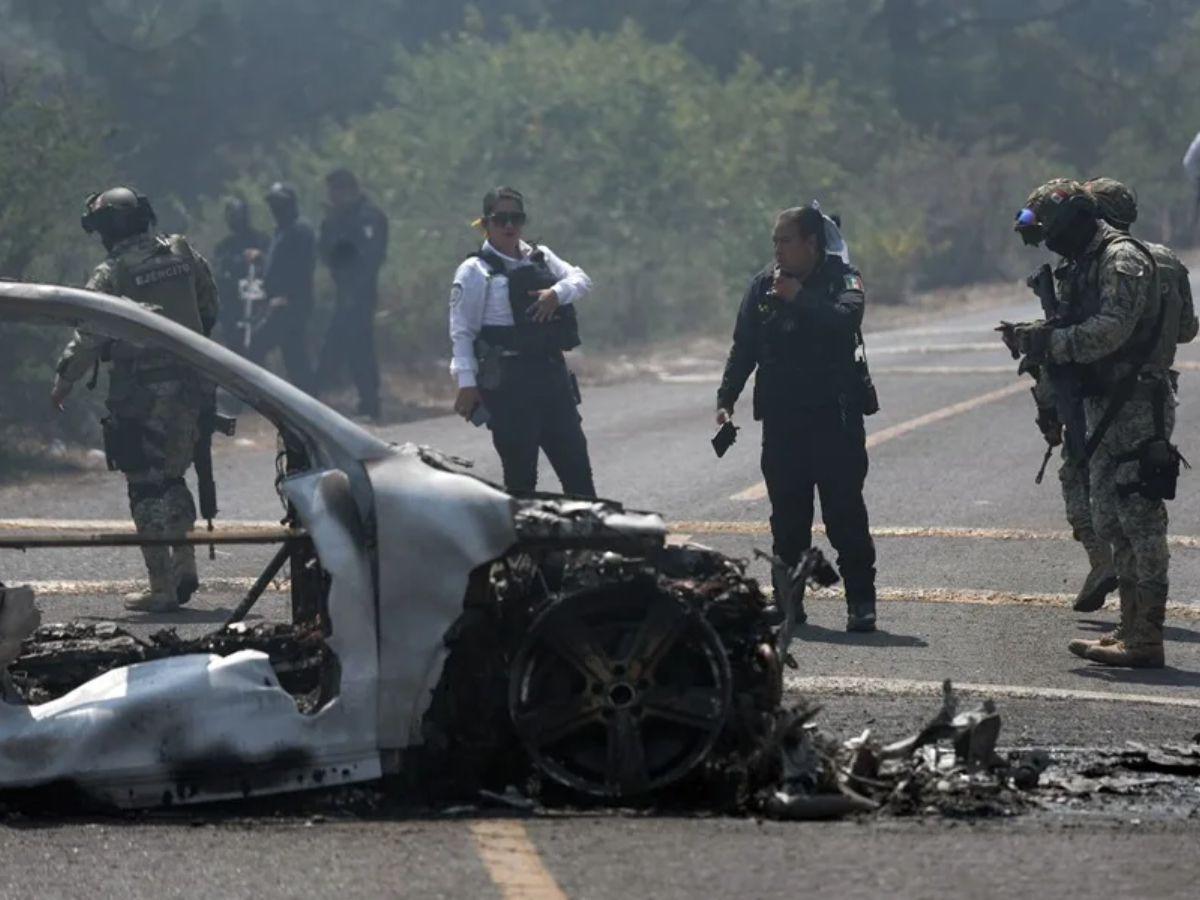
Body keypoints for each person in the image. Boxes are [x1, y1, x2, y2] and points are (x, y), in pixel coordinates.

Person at [1011, 179, 1188, 668]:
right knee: (1113, 521)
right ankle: (1130, 629)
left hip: (1134, 404)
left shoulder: (1121, 260)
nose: (1048, 243)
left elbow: (1111, 330)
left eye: (1052, 232)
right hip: (1102, 403)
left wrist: (1053, 343)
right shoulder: (1087, 262)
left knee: (1141, 523)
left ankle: (1146, 636)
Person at [51, 187, 218, 612]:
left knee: (144, 484)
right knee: (174, 475)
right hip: (192, 383)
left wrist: (64, 378)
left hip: (140, 392)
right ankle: (185, 566)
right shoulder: (183, 254)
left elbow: (90, 333)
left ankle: (161, 587)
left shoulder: (111, 274)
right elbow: (209, 305)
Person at [716, 206, 877, 632]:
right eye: (775, 241)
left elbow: (846, 321)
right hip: (783, 423)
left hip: (834, 421)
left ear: (811, 243)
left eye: (786, 240)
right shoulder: (761, 287)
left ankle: (861, 603)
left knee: (844, 514)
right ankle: (788, 604)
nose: (778, 249)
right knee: (787, 520)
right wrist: (726, 398)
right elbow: (743, 347)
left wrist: (799, 299)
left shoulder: (842, 279)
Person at [448, 186, 596, 497]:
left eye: (516, 218)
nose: (509, 226)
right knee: (521, 482)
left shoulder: (540, 256)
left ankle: (589, 544)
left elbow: (581, 279)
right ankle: (527, 546)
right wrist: (466, 383)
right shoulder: (475, 271)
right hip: (509, 386)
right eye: (500, 219)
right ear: (485, 223)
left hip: (552, 378)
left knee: (578, 475)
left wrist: (556, 294)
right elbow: (462, 331)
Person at [315, 168, 388, 419]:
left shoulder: (369, 216)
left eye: (335, 191)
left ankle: (370, 402)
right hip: (343, 291)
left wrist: (355, 289)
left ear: (347, 190)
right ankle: (320, 400)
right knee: (335, 347)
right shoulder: (336, 218)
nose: (332, 197)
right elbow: (326, 251)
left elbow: (372, 257)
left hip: (361, 294)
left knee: (360, 347)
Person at [246, 182, 315, 391]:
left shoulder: (300, 229)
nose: (275, 208)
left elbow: (301, 267)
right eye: (273, 204)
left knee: (257, 345)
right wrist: (261, 259)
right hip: (279, 301)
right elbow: (278, 265)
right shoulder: (281, 231)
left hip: (291, 302)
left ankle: (257, 395)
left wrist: (286, 296)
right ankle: (309, 400)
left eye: (280, 203)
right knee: (294, 356)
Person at [211, 196, 267, 351]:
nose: (233, 219)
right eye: (230, 215)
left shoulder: (260, 240)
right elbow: (218, 272)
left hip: (256, 305)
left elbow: (270, 267)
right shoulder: (224, 246)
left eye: (236, 214)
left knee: (255, 348)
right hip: (231, 306)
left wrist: (259, 257)